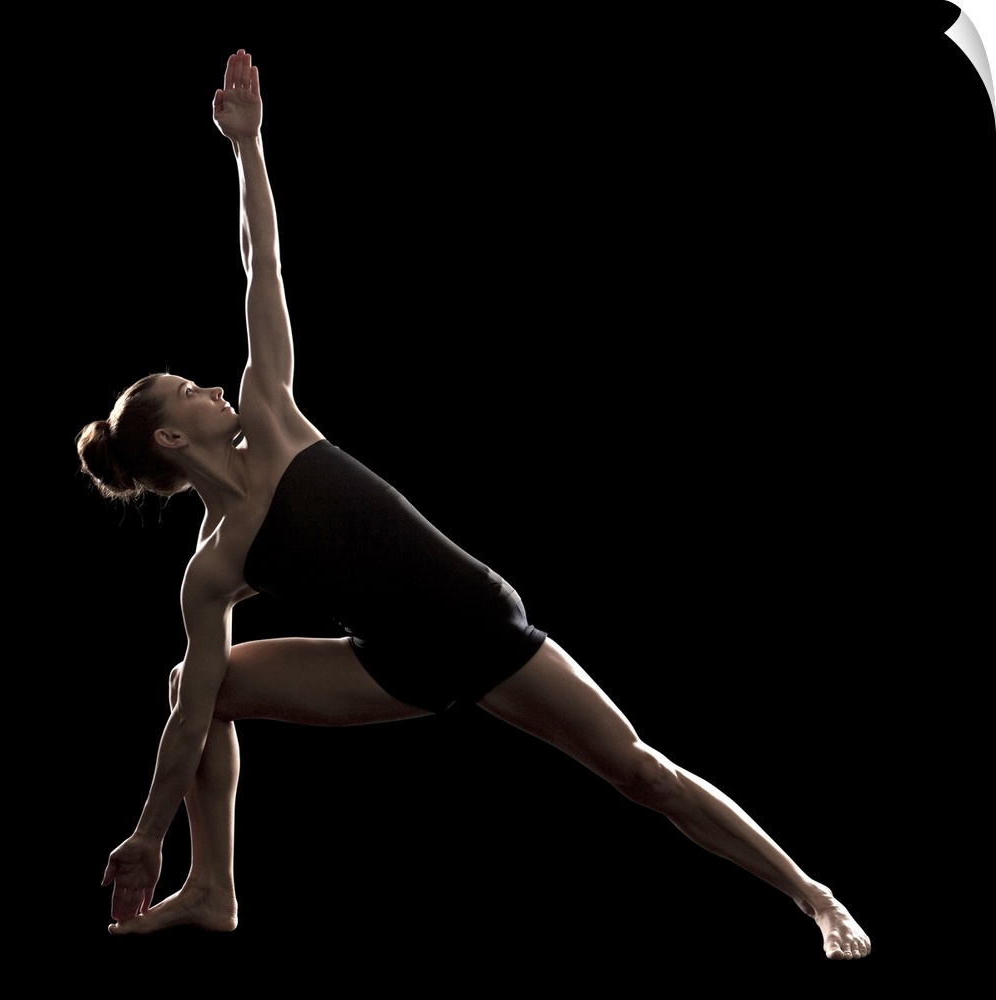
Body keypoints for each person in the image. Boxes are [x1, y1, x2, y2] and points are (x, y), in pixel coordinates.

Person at [78, 49, 870, 960]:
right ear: (172, 441)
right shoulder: (213, 567)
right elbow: (189, 720)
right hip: (392, 669)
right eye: (188, 390)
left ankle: (814, 897)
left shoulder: (273, 413)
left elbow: (264, 263)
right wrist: (148, 831)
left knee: (642, 775)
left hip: (479, 624)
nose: (211, 385)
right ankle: (213, 889)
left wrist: (247, 147)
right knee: (197, 684)